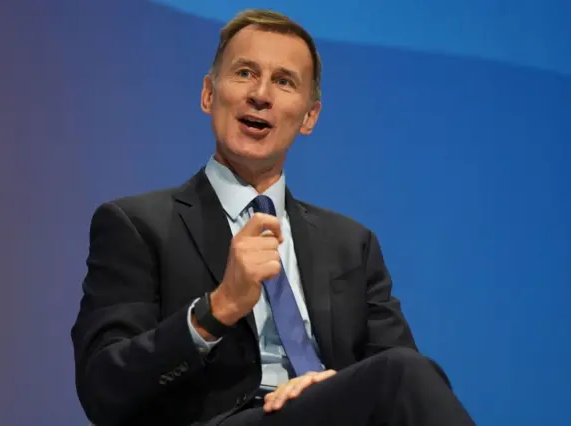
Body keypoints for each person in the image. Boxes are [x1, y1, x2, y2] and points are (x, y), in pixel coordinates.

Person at [71, 8, 476, 426]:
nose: (261, 94)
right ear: (209, 93)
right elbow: (103, 387)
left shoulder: (351, 244)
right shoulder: (137, 225)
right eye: (245, 73)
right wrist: (217, 308)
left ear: (309, 117)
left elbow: (405, 376)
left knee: (409, 373)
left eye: (283, 81)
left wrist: (331, 388)